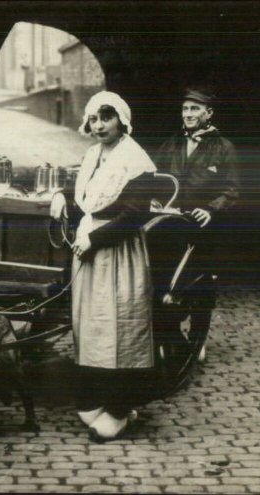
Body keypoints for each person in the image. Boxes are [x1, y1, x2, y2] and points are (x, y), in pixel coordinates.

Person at [59, 91, 163, 442]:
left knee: (119, 327)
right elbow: (87, 199)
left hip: (119, 253)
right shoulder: (92, 154)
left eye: (107, 117)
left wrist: (96, 239)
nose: (99, 125)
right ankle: (93, 397)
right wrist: (62, 197)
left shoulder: (136, 159)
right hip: (89, 252)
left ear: (122, 121)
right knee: (91, 327)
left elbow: (135, 214)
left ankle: (120, 406)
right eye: (94, 118)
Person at [153, 87, 239, 240]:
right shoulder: (171, 144)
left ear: (209, 113)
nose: (188, 114)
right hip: (168, 222)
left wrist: (210, 210)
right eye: (185, 109)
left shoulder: (224, 147)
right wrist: (155, 202)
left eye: (194, 109)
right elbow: (152, 177)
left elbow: (231, 191)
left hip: (204, 226)